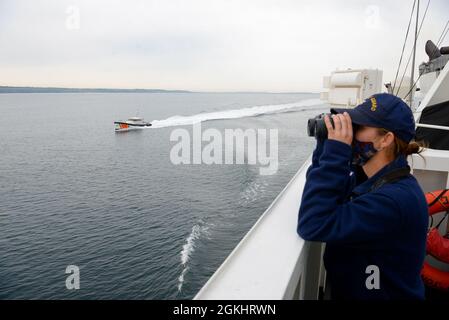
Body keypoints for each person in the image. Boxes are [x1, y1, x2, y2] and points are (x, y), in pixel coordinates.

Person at [297, 93, 428, 300]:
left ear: (385, 140)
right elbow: (323, 192)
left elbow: (313, 223)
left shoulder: (393, 201)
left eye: (359, 127)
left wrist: (336, 152)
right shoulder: (370, 179)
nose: (351, 132)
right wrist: (325, 146)